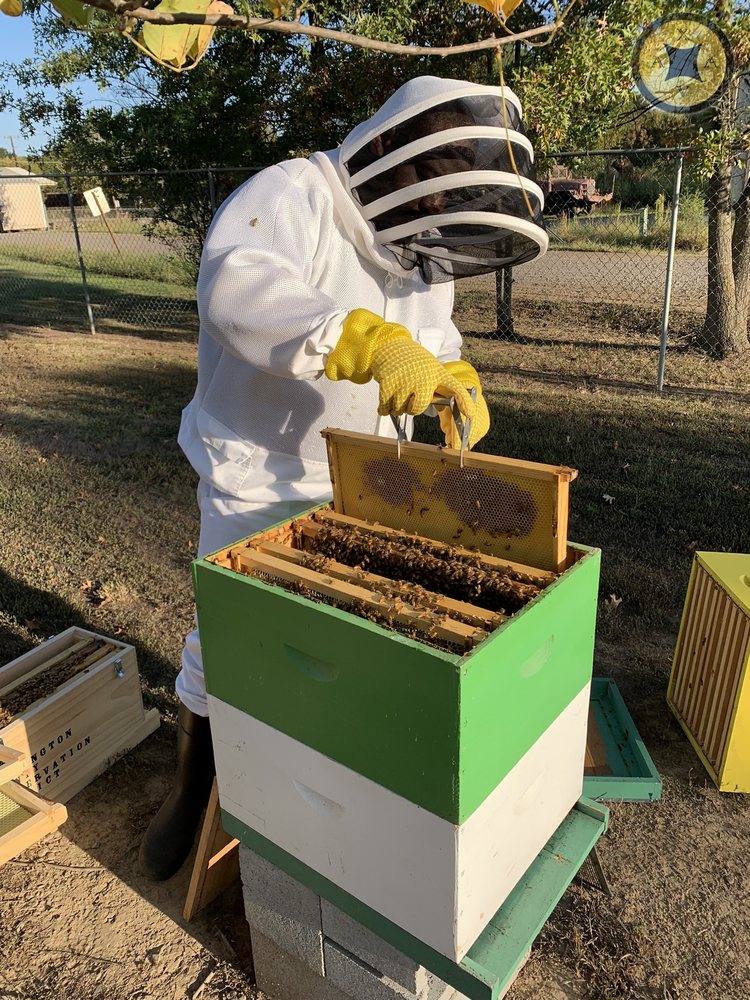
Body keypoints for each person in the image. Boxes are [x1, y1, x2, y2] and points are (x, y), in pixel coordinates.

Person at [138, 74, 547, 880]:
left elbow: (436, 336)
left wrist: (455, 378)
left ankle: (302, 786)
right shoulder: (293, 192)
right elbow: (237, 289)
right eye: (438, 187)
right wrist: (358, 339)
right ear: (396, 151)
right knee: (225, 646)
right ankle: (192, 792)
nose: (434, 218)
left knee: (334, 647)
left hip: (369, 481)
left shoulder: (421, 247)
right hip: (259, 474)